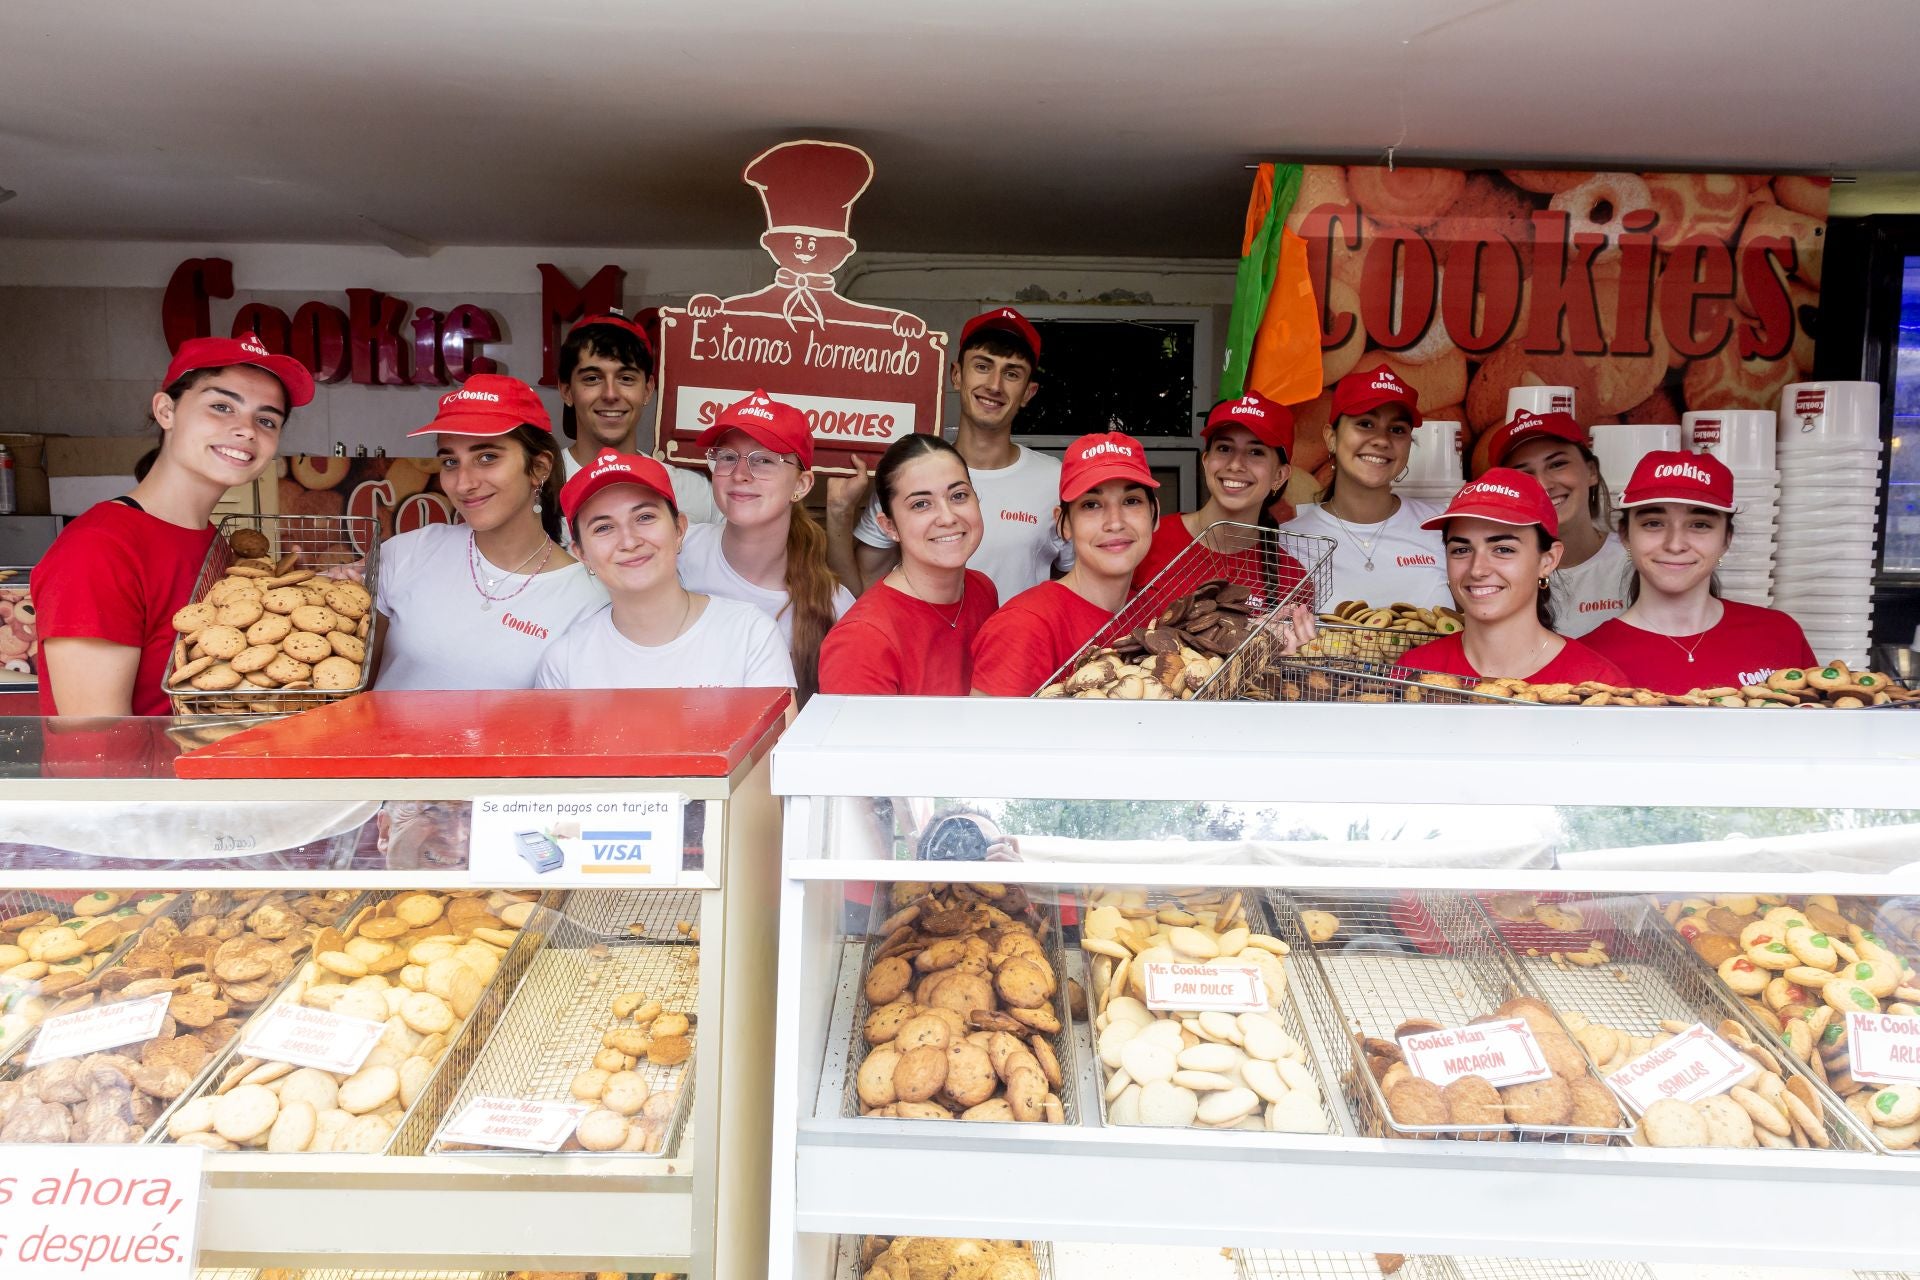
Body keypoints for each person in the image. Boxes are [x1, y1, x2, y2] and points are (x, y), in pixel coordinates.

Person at [32, 334, 313, 715]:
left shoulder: (218, 543)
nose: (248, 430)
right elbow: (94, 744)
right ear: (166, 411)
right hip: (153, 776)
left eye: (266, 420)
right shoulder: (99, 548)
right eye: (221, 406)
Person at [375, 375, 606, 690]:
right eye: (450, 461)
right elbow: (353, 689)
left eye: (487, 457)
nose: (464, 483)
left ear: (539, 467)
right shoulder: (405, 553)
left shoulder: (589, 601)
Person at [828, 307, 1070, 601]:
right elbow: (861, 592)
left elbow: (1076, 587)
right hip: (924, 647)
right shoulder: (909, 472)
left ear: (1029, 393)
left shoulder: (1056, 480)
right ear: (956, 376)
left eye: (1011, 373)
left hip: (1020, 648)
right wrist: (840, 511)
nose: (994, 385)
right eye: (982, 366)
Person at [534, 450, 794, 691]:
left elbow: (779, 741)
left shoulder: (750, 635)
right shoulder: (564, 664)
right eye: (603, 528)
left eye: (644, 517)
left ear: (679, 529)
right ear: (581, 554)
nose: (629, 541)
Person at [1583, 450, 1815, 694]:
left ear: (1726, 539)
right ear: (1625, 536)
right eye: (1653, 523)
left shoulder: (1779, 634)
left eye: (1699, 525)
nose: (1675, 544)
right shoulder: (1590, 657)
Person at [679, 390, 852, 702]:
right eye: (728, 457)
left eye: (764, 460)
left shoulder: (834, 606)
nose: (740, 474)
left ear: (801, 485)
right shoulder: (676, 552)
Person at [971, 432, 1160, 696]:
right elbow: (985, 735)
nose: (1115, 522)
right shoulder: (1025, 626)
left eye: (1131, 501)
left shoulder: (1155, 617)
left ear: (1154, 514)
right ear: (1064, 524)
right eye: (1091, 505)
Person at [1398, 469, 1629, 684]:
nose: (1477, 569)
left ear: (1547, 561)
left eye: (1503, 550)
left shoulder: (1597, 683)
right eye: (1461, 550)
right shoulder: (1413, 672)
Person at [818, 435, 998, 695]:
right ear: (889, 526)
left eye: (959, 496)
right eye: (921, 504)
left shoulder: (982, 589)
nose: (947, 517)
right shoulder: (861, 638)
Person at [1281, 365, 1450, 609]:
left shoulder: (1441, 527)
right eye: (1365, 424)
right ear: (1331, 438)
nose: (1382, 440)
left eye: (1397, 429)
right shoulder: (1289, 541)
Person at [1132, 391, 1311, 612]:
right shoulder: (1146, 541)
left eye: (1256, 452)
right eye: (1224, 449)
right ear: (1206, 461)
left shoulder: (1293, 580)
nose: (1236, 464)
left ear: (1279, 475)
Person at [1480, 408, 1629, 636]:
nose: (1543, 484)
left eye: (1557, 464)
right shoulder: (1494, 573)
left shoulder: (1635, 563)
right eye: (1524, 475)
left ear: (1591, 471)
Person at [556, 310, 715, 523]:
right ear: (567, 391)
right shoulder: (539, 485)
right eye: (592, 378)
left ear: (648, 390)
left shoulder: (694, 492)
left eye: (626, 378)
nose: (610, 394)